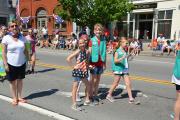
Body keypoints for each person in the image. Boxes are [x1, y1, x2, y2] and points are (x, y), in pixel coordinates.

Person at [2, 21, 29, 106]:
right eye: (12, 26)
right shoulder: (6, 38)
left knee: (20, 80)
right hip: (10, 63)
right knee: (12, 82)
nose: (14, 27)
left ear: (18, 27)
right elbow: (3, 52)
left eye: (15, 26)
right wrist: (5, 64)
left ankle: (20, 97)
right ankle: (14, 98)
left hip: (21, 63)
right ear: (9, 28)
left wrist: (28, 61)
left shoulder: (23, 38)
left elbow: (26, 50)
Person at [106, 37, 140, 105]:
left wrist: (131, 54)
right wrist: (122, 58)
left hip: (124, 68)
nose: (127, 44)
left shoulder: (124, 50)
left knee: (128, 83)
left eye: (127, 43)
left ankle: (131, 98)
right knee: (116, 83)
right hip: (118, 69)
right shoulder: (117, 51)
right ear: (121, 43)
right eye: (125, 43)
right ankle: (109, 95)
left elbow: (125, 59)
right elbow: (115, 61)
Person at [66, 38, 91, 111]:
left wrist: (88, 66)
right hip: (78, 71)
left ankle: (87, 100)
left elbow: (86, 61)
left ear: (85, 43)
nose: (82, 44)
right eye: (80, 43)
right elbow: (68, 59)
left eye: (83, 43)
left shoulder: (87, 52)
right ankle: (74, 104)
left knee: (88, 84)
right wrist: (73, 66)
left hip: (83, 70)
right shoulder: (78, 51)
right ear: (78, 44)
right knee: (75, 87)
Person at [88, 23, 106, 104]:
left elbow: (104, 52)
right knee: (93, 80)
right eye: (96, 30)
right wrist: (88, 64)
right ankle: (90, 95)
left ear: (101, 31)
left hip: (100, 62)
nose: (98, 31)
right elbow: (89, 52)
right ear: (94, 31)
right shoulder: (92, 40)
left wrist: (104, 63)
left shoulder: (103, 40)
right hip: (93, 62)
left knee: (98, 80)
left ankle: (95, 95)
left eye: (99, 30)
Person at [171, 41, 180, 120]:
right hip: (178, 77)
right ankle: (176, 117)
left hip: (177, 76)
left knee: (178, 98)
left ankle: (176, 114)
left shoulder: (178, 50)